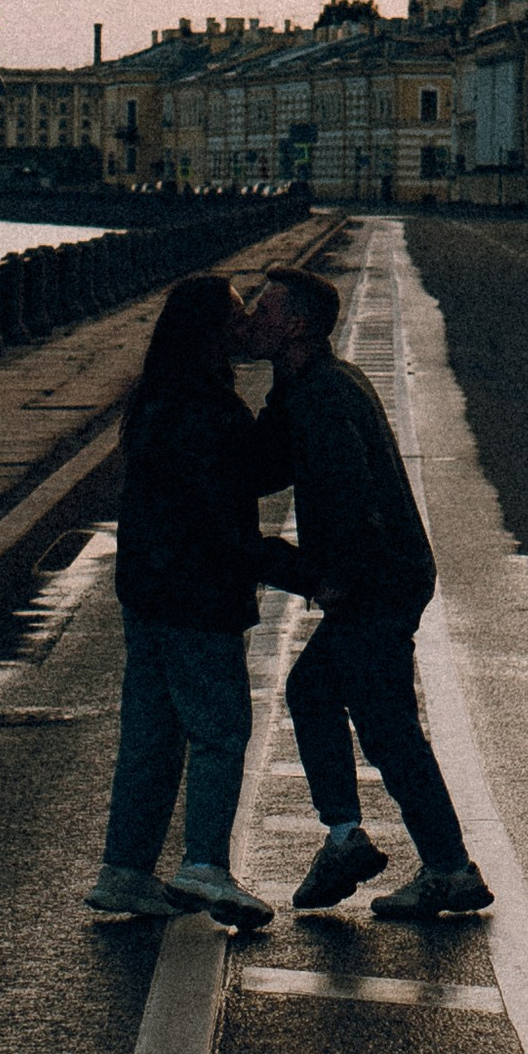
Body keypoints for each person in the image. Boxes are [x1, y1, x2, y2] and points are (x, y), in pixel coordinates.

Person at [242, 265, 493, 921]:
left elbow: (350, 494)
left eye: (263, 310)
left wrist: (333, 580)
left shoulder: (322, 394)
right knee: (321, 695)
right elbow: (265, 464)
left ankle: (445, 868)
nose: (252, 318)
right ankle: (351, 839)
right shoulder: (303, 381)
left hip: (377, 581)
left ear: (296, 325)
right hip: (386, 576)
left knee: (387, 727)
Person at [85, 273, 302, 933]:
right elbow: (241, 489)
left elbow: (247, 470)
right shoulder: (206, 408)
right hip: (193, 594)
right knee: (219, 729)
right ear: (209, 331)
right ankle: (204, 862)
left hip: (146, 589)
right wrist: (292, 569)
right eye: (236, 316)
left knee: (150, 734)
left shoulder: (159, 396)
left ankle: (125, 869)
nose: (243, 325)